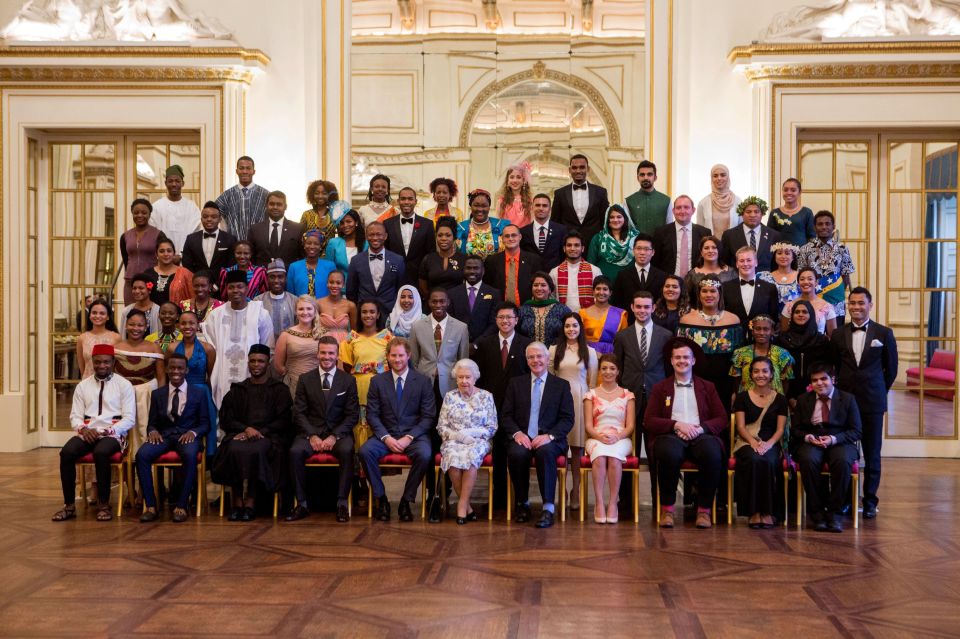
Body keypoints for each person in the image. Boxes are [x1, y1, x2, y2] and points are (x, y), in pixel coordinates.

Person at [644, 337, 728, 529]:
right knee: (668, 453)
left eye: (686, 357)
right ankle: (667, 509)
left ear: (693, 361)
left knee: (712, 454)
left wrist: (701, 428)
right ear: (671, 361)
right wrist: (676, 425)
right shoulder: (660, 388)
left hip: (701, 434)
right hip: (671, 435)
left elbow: (721, 418)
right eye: (677, 357)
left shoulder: (708, 387)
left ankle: (704, 511)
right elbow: (649, 421)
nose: (682, 361)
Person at [830, 287, 898, 519]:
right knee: (845, 452)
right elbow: (835, 368)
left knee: (872, 453)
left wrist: (878, 390)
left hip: (872, 401)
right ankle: (847, 499)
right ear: (847, 306)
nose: (856, 307)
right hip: (845, 402)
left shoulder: (884, 333)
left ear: (870, 305)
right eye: (852, 303)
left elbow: (891, 370)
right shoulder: (838, 334)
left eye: (861, 303)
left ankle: (870, 500)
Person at [51, 344, 135, 522]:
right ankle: (69, 505)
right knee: (66, 453)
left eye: (106, 362)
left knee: (101, 452)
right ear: (92, 362)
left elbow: (129, 419)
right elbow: (75, 416)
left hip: (113, 434)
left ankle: (103, 505)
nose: (102, 366)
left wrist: (108, 430)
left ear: (113, 362)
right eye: (98, 362)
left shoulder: (124, 385)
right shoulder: (83, 386)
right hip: (87, 432)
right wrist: (83, 429)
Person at [409, 287, 471, 519]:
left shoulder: (460, 327)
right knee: (430, 441)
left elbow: (463, 361)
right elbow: (413, 361)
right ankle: (430, 493)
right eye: (434, 301)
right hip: (425, 391)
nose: (438, 304)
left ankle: (444, 492)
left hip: (450, 393)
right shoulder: (417, 326)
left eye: (442, 301)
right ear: (428, 302)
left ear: (448, 302)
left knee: (447, 442)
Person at [213, 345, 294, 521]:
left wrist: (259, 431)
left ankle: (250, 502)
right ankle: (236, 502)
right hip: (240, 434)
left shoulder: (279, 390)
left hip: (269, 436)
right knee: (233, 448)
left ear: (268, 363)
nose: (256, 365)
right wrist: (245, 429)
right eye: (253, 361)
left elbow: (284, 420)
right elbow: (227, 418)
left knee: (257, 450)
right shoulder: (238, 389)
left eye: (261, 361)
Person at [360, 337, 437, 522]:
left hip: (414, 436)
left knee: (425, 454)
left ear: (408, 355)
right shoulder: (377, 381)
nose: (397, 359)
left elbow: (428, 417)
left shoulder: (423, 381)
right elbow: (372, 415)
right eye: (393, 355)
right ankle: (382, 499)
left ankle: (406, 500)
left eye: (401, 355)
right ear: (387, 356)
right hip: (385, 436)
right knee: (364, 451)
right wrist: (386, 437)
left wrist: (409, 437)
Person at [286, 336, 360, 522]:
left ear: (337, 356)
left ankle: (342, 503)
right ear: (317, 353)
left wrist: (334, 436)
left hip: (338, 434)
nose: (326, 357)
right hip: (310, 432)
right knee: (295, 451)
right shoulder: (305, 379)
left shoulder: (348, 381)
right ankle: (301, 504)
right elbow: (299, 413)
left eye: (331, 353)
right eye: (323, 352)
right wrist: (311, 435)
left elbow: (352, 415)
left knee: (347, 450)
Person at [501, 342, 575, 528]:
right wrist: (517, 433)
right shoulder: (515, 384)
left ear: (547, 359)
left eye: (539, 356)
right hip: (522, 437)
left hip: (551, 439)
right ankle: (522, 504)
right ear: (526, 361)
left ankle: (548, 507)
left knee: (545, 452)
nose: (536, 360)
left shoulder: (561, 386)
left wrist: (549, 436)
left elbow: (567, 419)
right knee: (517, 453)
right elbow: (506, 415)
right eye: (531, 357)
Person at [471, 302, 532, 509]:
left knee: (516, 453)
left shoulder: (526, 344)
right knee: (497, 453)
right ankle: (498, 497)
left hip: (518, 410)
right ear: (496, 320)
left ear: (516, 320)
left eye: (509, 317)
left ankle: (519, 498)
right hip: (491, 408)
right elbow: (478, 379)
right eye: (501, 317)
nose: (505, 321)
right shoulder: (485, 344)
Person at [136, 352, 210, 523]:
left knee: (191, 455)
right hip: (164, 437)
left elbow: (205, 424)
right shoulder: (157, 394)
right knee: (142, 455)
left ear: (187, 370)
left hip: (187, 437)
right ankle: (151, 506)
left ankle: (182, 506)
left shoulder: (199, 393)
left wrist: (193, 433)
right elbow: (152, 423)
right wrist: (152, 431)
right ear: (167, 370)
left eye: (180, 368)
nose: (176, 371)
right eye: (172, 368)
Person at [792, 363, 862, 533]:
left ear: (833, 379)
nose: (819, 383)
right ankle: (816, 513)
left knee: (842, 460)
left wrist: (833, 439)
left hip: (840, 440)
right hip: (812, 440)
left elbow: (856, 430)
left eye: (824, 379)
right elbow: (794, 429)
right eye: (815, 380)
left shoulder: (847, 399)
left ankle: (835, 514)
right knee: (808, 460)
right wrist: (807, 437)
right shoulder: (803, 400)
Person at [437, 358, 498, 523]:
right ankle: (467, 506)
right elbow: (441, 426)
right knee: (452, 460)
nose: (464, 381)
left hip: (477, 441)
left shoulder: (486, 396)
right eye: (460, 377)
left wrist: (471, 433)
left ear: (475, 377)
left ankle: (462, 505)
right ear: (456, 378)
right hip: (453, 441)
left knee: (470, 459)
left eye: (467, 377)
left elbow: (492, 427)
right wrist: (458, 436)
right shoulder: (450, 397)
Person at [548, 313, 598, 513]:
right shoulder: (553, 350)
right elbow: (550, 376)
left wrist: (589, 404)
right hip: (558, 400)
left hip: (579, 398)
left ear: (580, 328)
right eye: (567, 326)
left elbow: (592, 382)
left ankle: (575, 490)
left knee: (577, 449)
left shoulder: (590, 352)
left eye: (574, 326)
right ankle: (559, 490)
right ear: (563, 328)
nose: (571, 330)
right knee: (558, 447)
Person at [203, 269, 274, 406]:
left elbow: (267, 346)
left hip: (251, 371)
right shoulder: (216, 314)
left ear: (247, 289)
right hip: (222, 370)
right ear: (226, 289)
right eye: (231, 287)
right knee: (224, 406)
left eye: (240, 286)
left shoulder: (259, 313)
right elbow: (210, 347)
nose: (236, 290)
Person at [732, 356, 788, 529]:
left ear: (771, 374)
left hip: (770, 442)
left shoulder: (780, 399)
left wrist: (769, 444)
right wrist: (753, 443)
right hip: (746, 441)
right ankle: (754, 512)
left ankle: (769, 512)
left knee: (770, 460)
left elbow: (780, 429)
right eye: (756, 371)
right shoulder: (741, 397)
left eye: (765, 371)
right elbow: (740, 427)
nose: (760, 375)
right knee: (754, 459)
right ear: (751, 375)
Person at [584, 354, 636, 524]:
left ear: (618, 371)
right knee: (599, 456)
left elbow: (630, 427)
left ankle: (613, 502)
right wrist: (599, 436)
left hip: (621, 438)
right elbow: (588, 426)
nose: (608, 372)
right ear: (599, 371)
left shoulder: (628, 395)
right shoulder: (590, 395)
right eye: (604, 368)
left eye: (612, 368)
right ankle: (599, 502)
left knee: (614, 458)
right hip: (596, 437)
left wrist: (617, 436)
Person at [679, 276, 745, 407]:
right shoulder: (686, 321)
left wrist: (736, 390)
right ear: (698, 294)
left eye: (713, 291)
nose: (708, 295)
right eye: (704, 291)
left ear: (719, 293)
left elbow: (739, 359)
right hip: (695, 381)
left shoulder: (733, 320)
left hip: (725, 383)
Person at [114, 309, 166, 453]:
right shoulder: (117, 348)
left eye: (140, 325)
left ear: (146, 326)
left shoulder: (154, 348)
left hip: (146, 396)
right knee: (124, 433)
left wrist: (160, 401)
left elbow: (161, 377)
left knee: (144, 429)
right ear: (126, 325)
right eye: (132, 324)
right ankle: (125, 467)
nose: (135, 329)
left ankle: (143, 462)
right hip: (121, 397)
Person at [339, 300, 393, 434]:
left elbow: (394, 363)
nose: (368, 315)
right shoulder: (352, 337)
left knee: (379, 417)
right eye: (364, 312)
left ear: (378, 315)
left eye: (372, 312)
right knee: (359, 419)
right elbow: (346, 365)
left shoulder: (387, 337)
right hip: (358, 386)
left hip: (382, 385)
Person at [170, 310, 218, 458]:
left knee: (204, 426)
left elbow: (211, 376)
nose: (187, 326)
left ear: (197, 325)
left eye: (191, 323)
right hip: (178, 393)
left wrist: (210, 398)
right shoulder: (172, 348)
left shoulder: (208, 348)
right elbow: (169, 373)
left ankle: (207, 461)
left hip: (201, 393)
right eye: (183, 323)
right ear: (178, 325)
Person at [798, 210, 856, 324]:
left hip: (836, 304)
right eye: (820, 224)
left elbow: (845, 277)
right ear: (814, 227)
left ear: (833, 226)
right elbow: (801, 277)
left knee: (836, 338)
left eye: (827, 224)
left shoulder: (842, 249)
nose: (824, 227)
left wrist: (834, 293)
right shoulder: (804, 249)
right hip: (811, 304)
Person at [346, 221, 405, 323]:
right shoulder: (356, 260)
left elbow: (401, 288)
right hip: (365, 315)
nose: (375, 238)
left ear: (385, 236)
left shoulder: (398, 260)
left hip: (390, 314)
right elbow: (351, 291)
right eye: (371, 234)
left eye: (379, 234)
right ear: (366, 236)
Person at [775, 300, 833, 403]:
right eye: (797, 312)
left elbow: (826, 368)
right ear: (792, 315)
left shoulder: (821, 340)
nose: (801, 315)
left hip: (816, 392)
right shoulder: (782, 340)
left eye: (805, 312)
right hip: (787, 392)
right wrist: (788, 396)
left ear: (811, 315)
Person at [550, 154, 609, 248]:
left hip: (594, 244)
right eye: (574, 168)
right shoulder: (559, 193)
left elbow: (605, 221)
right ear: (570, 170)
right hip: (569, 245)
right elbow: (555, 222)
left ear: (588, 169)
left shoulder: (600, 192)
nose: (578, 171)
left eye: (582, 167)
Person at [384, 186, 437, 289]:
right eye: (403, 199)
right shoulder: (388, 224)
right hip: (394, 276)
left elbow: (431, 253)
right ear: (398, 201)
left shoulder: (427, 224)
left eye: (410, 199)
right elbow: (386, 251)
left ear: (415, 201)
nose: (406, 202)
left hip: (420, 277)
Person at [730, 315, 795, 394]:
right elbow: (736, 381)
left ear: (772, 332)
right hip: (746, 402)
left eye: (766, 329)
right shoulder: (740, 353)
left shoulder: (783, 354)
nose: (761, 333)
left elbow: (785, 381)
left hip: (774, 402)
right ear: (752, 331)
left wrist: (780, 400)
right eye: (758, 329)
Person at [721, 246, 780, 332]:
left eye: (749, 260)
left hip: (760, 338)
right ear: (737, 264)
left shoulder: (769, 288)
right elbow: (723, 314)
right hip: (734, 336)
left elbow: (773, 317)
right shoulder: (725, 287)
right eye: (741, 261)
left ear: (756, 262)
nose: (745, 264)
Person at [273, 295, 322, 397]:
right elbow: (278, 365)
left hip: (319, 384)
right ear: (295, 311)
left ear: (315, 311)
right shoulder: (286, 335)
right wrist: (291, 377)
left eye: (309, 308)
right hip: (294, 385)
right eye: (301, 309)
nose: (305, 312)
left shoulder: (324, 334)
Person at [120, 198, 166, 304]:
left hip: (150, 281)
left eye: (144, 213)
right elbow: (126, 259)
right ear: (132, 214)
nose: (140, 215)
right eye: (136, 213)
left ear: (149, 214)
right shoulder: (125, 236)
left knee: (149, 314)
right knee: (131, 314)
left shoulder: (158, 234)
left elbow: (164, 258)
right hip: (130, 282)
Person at [483, 223, 541, 306]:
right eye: (507, 236)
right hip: (499, 310)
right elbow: (488, 287)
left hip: (527, 309)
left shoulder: (533, 260)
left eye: (514, 235)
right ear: (502, 239)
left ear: (520, 237)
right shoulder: (492, 261)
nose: (510, 238)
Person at [652, 195, 711, 277]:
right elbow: (655, 261)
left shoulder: (704, 233)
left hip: (697, 281)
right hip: (668, 282)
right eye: (678, 208)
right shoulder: (661, 233)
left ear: (693, 210)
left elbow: (708, 260)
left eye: (686, 207)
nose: (682, 211)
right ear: (673, 211)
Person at [447, 254, 499, 344]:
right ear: (463, 270)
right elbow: (450, 321)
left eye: (476, 268)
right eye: (468, 268)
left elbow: (494, 323)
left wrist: (476, 344)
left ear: (483, 271)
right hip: (458, 344)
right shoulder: (452, 293)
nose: (472, 271)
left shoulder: (494, 293)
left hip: (484, 345)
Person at [720, 196, 782, 272]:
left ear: (762, 214)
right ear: (742, 214)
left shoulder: (774, 235)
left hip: (767, 280)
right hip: (737, 280)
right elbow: (724, 261)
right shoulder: (729, 235)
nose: (752, 215)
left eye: (756, 212)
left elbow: (777, 262)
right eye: (748, 212)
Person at [215, 156, 269, 241]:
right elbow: (214, 217)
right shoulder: (226, 196)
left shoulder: (265, 195)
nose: (244, 171)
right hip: (234, 246)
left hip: (259, 245)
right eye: (241, 168)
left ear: (253, 171)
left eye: (248, 168)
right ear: (237, 171)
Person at [149, 164, 200, 255]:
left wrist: (181, 254)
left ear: (182, 183)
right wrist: (167, 253)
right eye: (170, 181)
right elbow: (153, 233)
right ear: (165, 183)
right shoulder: (157, 207)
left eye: (177, 181)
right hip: (163, 258)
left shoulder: (191, 207)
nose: (174, 184)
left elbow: (195, 234)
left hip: (186, 256)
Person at [180, 201, 237, 279]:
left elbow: (232, 265)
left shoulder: (230, 239)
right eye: (205, 216)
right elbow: (187, 265)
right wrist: (198, 282)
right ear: (201, 219)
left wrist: (218, 285)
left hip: (222, 286)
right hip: (198, 287)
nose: (209, 219)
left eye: (213, 217)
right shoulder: (191, 239)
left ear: (220, 219)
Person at [611, 233, 667, 313]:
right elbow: (616, 303)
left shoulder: (662, 276)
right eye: (639, 248)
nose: (642, 252)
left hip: (654, 322)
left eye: (646, 249)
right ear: (633, 251)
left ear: (653, 252)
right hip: (629, 322)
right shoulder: (623, 275)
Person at [248, 191, 305, 268]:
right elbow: (251, 256)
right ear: (266, 206)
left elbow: (302, 257)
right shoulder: (255, 229)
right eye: (272, 204)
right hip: (261, 276)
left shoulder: (298, 229)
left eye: (279, 204)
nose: (275, 207)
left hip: (288, 276)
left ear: (285, 207)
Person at [549, 231, 602, 312]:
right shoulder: (554, 272)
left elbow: (600, 296)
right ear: (564, 248)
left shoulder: (595, 270)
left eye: (576, 245)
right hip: (562, 317)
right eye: (569, 245)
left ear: (582, 248)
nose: (572, 248)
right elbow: (550, 298)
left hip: (589, 317)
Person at [587, 204, 639, 282]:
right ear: (607, 219)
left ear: (625, 218)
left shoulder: (635, 238)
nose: (615, 220)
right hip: (604, 286)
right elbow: (590, 265)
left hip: (629, 283)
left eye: (619, 217)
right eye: (611, 217)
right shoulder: (598, 238)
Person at [518, 272, 571, 348]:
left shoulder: (562, 310)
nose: (539, 288)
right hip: (528, 355)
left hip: (555, 354)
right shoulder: (522, 310)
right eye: (536, 285)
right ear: (531, 289)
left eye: (543, 285)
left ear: (550, 289)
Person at [780, 267, 837, 336]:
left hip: (819, 345)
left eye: (810, 279)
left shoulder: (827, 307)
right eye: (802, 279)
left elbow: (833, 337)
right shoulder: (789, 306)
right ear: (798, 283)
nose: (806, 282)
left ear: (816, 282)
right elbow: (784, 334)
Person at [418, 217, 466, 298]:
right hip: (434, 306)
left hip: (457, 305)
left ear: (454, 237)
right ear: (436, 237)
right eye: (440, 235)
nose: (443, 239)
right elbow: (423, 288)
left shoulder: (463, 259)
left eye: (448, 235)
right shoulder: (428, 259)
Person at [580, 275, 627, 355]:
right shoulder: (583, 313)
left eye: (605, 289)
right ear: (593, 292)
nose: (601, 292)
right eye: (598, 289)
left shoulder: (620, 314)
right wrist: (593, 354)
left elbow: (623, 341)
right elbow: (579, 339)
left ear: (610, 293)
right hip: (588, 356)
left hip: (611, 358)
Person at [456, 189, 509, 259]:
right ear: (470, 206)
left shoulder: (501, 225)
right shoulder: (461, 227)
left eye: (484, 206)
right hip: (469, 269)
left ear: (489, 207)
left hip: (495, 269)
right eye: (476, 205)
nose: (480, 209)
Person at [299, 180, 349, 255]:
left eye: (324, 193)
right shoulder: (306, 214)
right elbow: (301, 238)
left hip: (331, 255)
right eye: (317, 193)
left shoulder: (336, 214)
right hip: (310, 255)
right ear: (312, 195)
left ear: (330, 195)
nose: (320, 196)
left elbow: (342, 237)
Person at [623, 160, 673, 235]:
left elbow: (670, 228)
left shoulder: (666, 200)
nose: (645, 177)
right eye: (642, 175)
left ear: (655, 177)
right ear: (638, 178)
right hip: (636, 245)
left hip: (660, 245)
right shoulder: (628, 201)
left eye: (649, 174)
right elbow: (627, 228)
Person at [520, 193, 567, 272]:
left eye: (545, 205)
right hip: (531, 276)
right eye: (537, 205)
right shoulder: (523, 232)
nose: (541, 208)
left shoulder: (561, 230)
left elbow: (564, 254)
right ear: (532, 207)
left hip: (555, 276)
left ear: (550, 209)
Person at [255, 259, 299, 342]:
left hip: (289, 348)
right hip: (265, 350)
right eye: (272, 277)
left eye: (280, 277)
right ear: (267, 279)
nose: (276, 281)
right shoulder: (258, 301)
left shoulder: (295, 301)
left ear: (285, 278)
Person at [684, 235, 737, 303]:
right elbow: (685, 298)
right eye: (706, 248)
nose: (710, 250)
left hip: (728, 312)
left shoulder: (731, 273)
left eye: (714, 247)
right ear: (701, 252)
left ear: (719, 251)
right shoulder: (692, 275)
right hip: (698, 312)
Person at [287, 230, 338, 299]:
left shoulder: (330, 266)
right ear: (304, 245)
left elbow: (334, 290)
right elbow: (290, 294)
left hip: (324, 308)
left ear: (321, 246)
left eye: (316, 244)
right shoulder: (294, 267)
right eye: (308, 243)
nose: (312, 246)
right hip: (300, 308)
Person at [76, 299, 120, 379]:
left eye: (102, 313)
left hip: (110, 384)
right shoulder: (82, 338)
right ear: (89, 315)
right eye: (94, 313)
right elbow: (82, 367)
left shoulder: (116, 338)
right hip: (88, 384)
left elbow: (118, 365)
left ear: (108, 317)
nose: (97, 316)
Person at [767, 177, 816, 247]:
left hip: (802, 255)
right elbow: (770, 237)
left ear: (799, 192)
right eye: (786, 190)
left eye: (793, 190)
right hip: (780, 255)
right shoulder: (775, 213)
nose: (789, 193)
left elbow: (812, 237)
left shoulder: (807, 212)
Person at [145, 238, 194, 306]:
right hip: (152, 315)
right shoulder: (148, 274)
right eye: (162, 251)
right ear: (156, 254)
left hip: (177, 315)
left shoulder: (185, 274)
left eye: (169, 251)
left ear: (174, 253)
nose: (166, 254)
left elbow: (193, 298)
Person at [697, 163, 742, 235]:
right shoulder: (703, 203)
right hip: (711, 245)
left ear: (728, 177)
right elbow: (699, 231)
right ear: (711, 179)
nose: (719, 178)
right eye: (715, 176)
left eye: (723, 175)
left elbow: (741, 229)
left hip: (733, 245)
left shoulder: (738, 201)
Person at [758, 242, 801, 314]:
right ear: (774, 256)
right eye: (779, 253)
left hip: (795, 318)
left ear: (793, 257)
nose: (783, 256)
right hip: (769, 319)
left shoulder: (801, 277)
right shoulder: (763, 277)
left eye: (787, 253)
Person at [325, 209, 367, 280]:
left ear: (356, 222)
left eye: (349, 221)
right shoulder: (333, 243)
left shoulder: (366, 244)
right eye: (341, 223)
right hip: (340, 288)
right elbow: (328, 269)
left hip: (361, 288)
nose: (345, 225)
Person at [317, 270, 356, 343]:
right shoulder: (318, 303)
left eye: (338, 283)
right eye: (331, 282)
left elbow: (354, 331)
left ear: (343, 285)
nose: (334, 286)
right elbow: (313, 328)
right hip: (323, 344)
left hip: (344, 344)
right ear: (327, 283)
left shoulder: (350, 305)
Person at [118, 273, 160, 339]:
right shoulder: (127, 311)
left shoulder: (158, 311)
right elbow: (123, 336)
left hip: (151, 348)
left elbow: (159, 335)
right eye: (134, 288)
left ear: (149, 290)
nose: (137, 291)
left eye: (141, 288)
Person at [496, 161, 533, 227]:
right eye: (512, 177)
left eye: (518, 177)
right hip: (507, 235)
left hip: (524, 236)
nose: (515, 180)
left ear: (523, 181)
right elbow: (498, 223)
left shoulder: (530, 201)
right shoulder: (501, 201)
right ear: (507, 180)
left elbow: (532, 223)